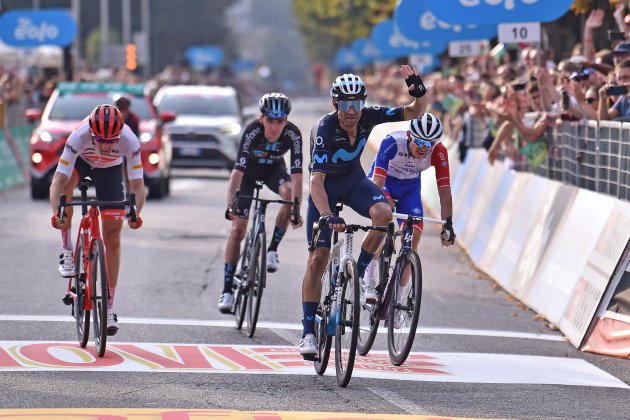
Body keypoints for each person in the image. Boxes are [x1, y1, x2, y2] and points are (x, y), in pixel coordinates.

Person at [299, 66, 426, 356]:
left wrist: (419, 91)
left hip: (354, 181)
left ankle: (360, 269)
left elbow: (414, 112)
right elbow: (316, 182)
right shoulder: (325, 129)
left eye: (357, 103)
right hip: (326, 189)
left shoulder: (369, 115)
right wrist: (327, 214)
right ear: (335, 104)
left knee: (384, 213)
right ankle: (307, 332)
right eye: (346, 104)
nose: (352, 111)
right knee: (317, 258)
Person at [49, 104, 145, 336]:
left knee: (113, 237)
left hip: (110, 171)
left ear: (120, 134)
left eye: (111, 141)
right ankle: (67, 248)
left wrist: (136, 213)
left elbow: (137, 186)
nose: (104, 145)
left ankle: (109, 306)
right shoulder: (79, 135)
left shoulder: (130, 141)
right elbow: (57, 182)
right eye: (99, 139)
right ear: (91, 132)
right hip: (81, 163)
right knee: (67, 191)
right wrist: (57, 212)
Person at [219, 92, 303, 313]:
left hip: (274, 171)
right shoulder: (252, 131)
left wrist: (296, 207)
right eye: (270, 121)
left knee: (288, 193)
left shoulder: (292, 134)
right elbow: (237, 173)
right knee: (238, 229)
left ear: (286, 120)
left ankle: (272, 249)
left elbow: (297, 176)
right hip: (248, 173)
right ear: (261, 119)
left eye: (280, 121)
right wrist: (231, 205)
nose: (275, 127)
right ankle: (227, 290)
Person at [362, 113, 456, 303]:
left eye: (428, 144)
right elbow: (378, 182)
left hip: (409, 189)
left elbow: (444, 191)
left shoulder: (439, 152)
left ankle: (398, 298)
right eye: (419, 141)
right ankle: (368, 278)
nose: (423, 148)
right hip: (384, 181)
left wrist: (448, 225)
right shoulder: (392, 142)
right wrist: (380, 209)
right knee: (384, 217)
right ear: (409, 135)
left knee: (415, 234)